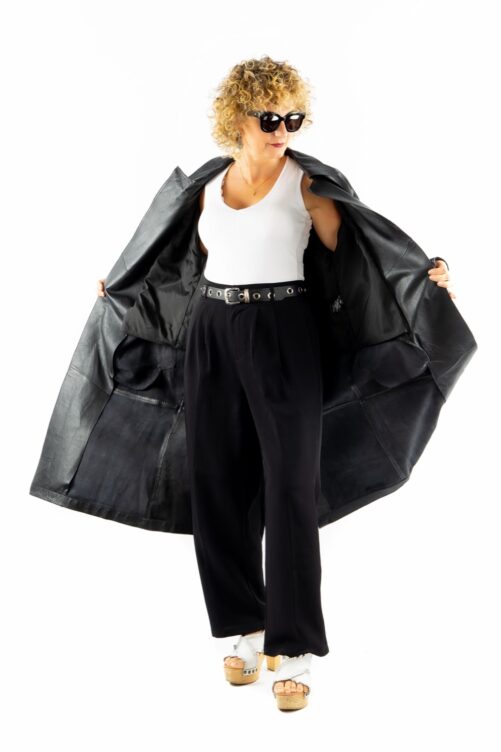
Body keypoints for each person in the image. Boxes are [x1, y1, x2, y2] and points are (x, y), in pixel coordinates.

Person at [96, 56, 455, 712]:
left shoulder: (307, 186)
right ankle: (244, 626)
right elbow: (176, 266)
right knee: (216, 483)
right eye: (270, 118)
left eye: (293, 118)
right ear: (237, 118)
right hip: (212, 332)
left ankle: (293, 649)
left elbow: (361, 260)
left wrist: (421, 278)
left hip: (284, 332)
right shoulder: (206, 187)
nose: (283, 130)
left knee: (290, 487)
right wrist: (122, 290)